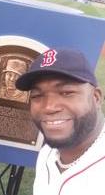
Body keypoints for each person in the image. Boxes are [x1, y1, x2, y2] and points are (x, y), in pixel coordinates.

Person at [15, 48, 105, 195]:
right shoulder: (47, 152)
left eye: (66, 93)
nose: (49, 107)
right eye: (37, 95)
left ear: (96, 98)